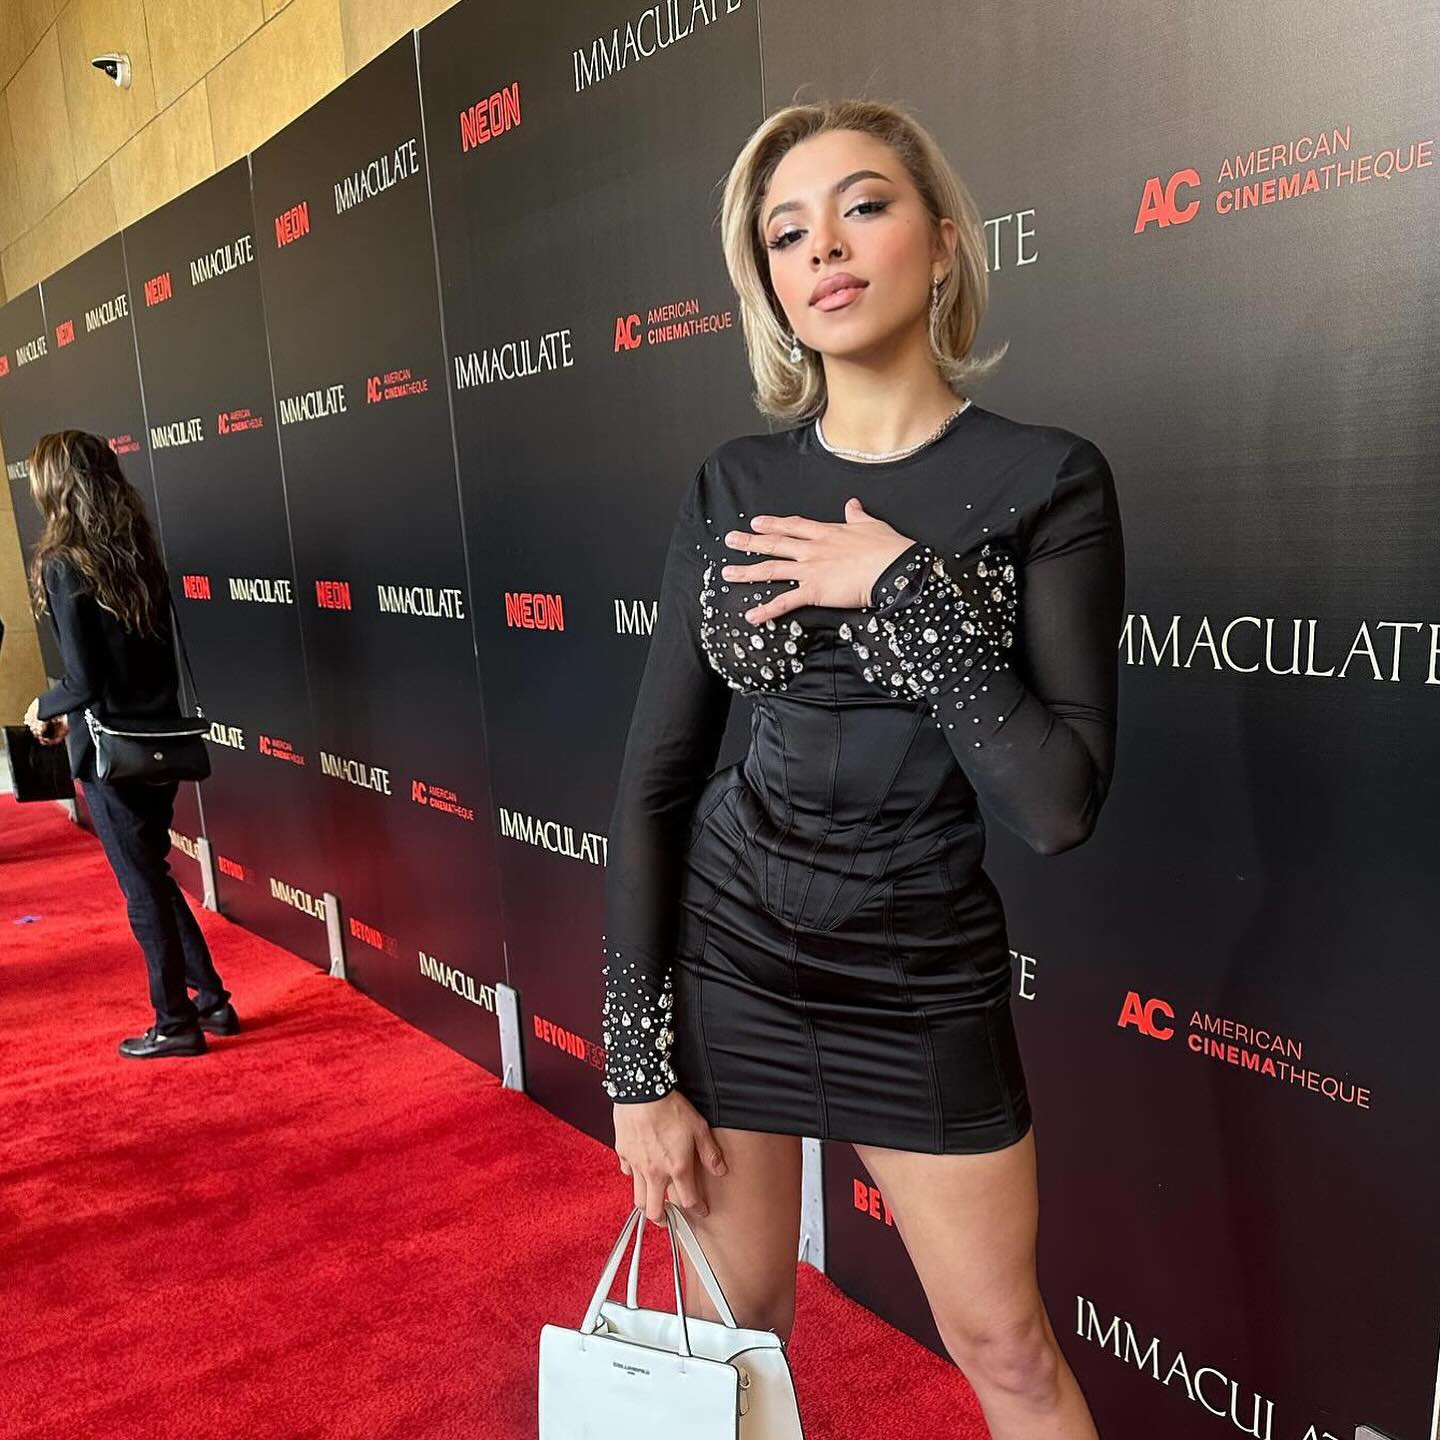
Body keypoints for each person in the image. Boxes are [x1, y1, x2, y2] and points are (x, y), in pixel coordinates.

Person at [601, 100, 1123, 1437]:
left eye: (864, 207)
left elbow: (1058, 804)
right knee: (730, 1350)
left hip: (921, 972)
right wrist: (635, 1067)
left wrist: (899, 585)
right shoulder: (733, 482)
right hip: (732, 959)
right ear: (769, 284)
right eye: (786, 234)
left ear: (942, 243)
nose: (823, 248)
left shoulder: (1047, 478)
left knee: (1008, 1352)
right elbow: (656, 781)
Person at [23, 429, 238, 1060]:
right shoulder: (137, 553)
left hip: (112, 755)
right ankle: (210, 1001)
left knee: (142, 889)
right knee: (153, 874)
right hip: (159, 745)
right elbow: (136, 666)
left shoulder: (64, 564)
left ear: (54, 487)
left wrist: (43, 708)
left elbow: (85, 681)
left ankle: (174, 1023)